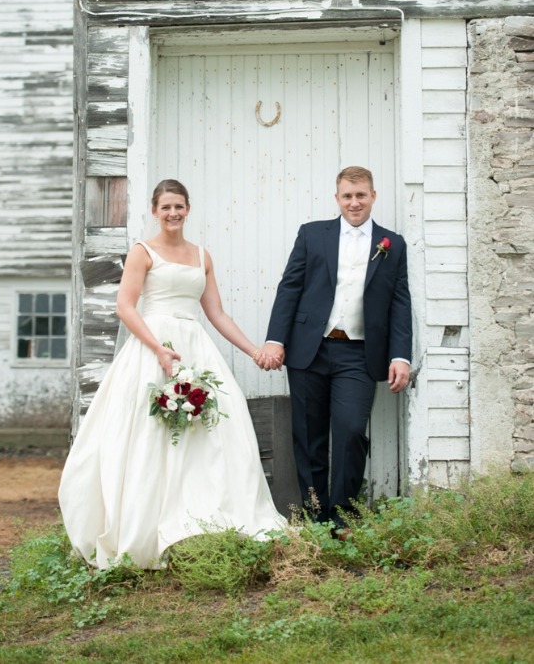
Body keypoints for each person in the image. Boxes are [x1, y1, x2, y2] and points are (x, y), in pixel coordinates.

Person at [59, 179, 286, 569]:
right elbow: (126, 307)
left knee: (211, 435)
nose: (173, 213)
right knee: (149, 437)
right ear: (154, 211)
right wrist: (158, 349)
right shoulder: (142, 252)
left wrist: (252, 350)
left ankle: (204, 518)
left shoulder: (202, 256)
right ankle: (145, 526)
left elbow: (216, 313)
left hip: (196, 346)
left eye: (179, 206)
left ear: (188, 208)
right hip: (154, 347)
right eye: (166, 207)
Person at [255, 166, 412, 528]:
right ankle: (315, 517)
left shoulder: (393, 244)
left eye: (360, 195)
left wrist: (400, 355)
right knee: (309, 436)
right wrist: (275, 339)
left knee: (352, 430)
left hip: (359, 354)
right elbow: (290, 287)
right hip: (309, 350)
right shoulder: (312, 235)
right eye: (347, 195)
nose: (354, 202)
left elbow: (399, 302)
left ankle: (343, 517)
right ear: (337, 198)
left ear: (373, 196)